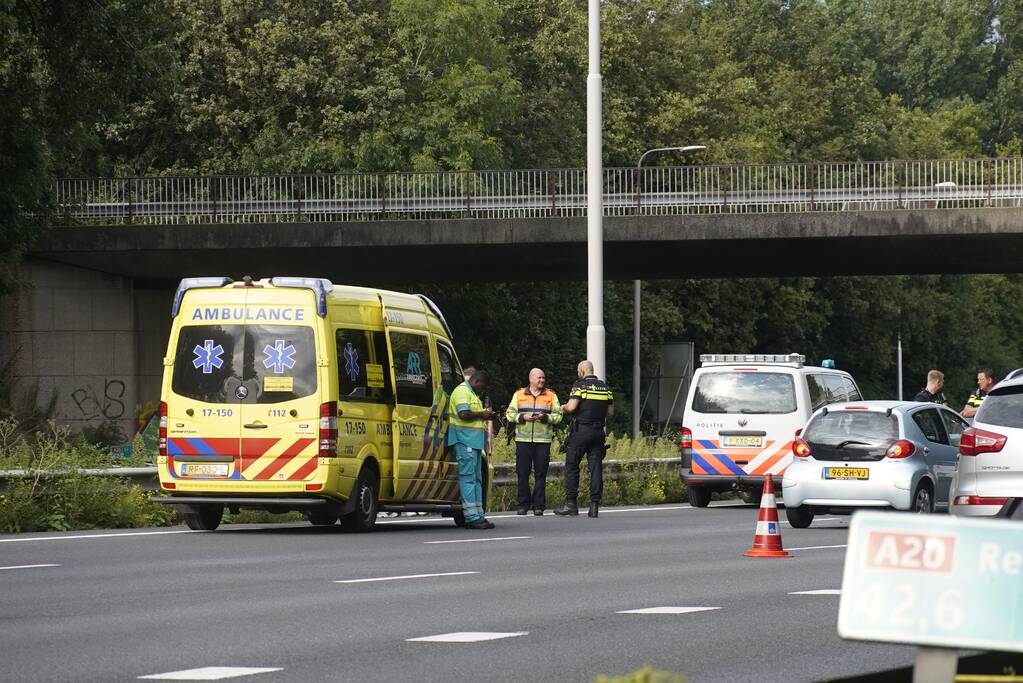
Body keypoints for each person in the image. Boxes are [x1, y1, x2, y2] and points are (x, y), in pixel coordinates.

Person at [554, 360, 614, 518]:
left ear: (581, 371)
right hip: (598, 433)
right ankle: (594, 506)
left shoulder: (579, 385)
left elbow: (572, 407)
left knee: (572, 466)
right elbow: (610, 412)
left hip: (581, 431)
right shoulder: (606, 388)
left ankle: (571, 505)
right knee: (595, 469)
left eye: (578, 371)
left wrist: (563, 407)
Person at [505, 368, 562, 516]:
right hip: (523, 440)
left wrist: (546, 418)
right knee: (522, 474)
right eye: (539, 378)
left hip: (543, 441)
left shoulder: (551, 395)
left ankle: (538, 506)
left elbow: (559, 415)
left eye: (543, 378)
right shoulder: (519, 394)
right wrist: (523, 417)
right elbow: (509, 413)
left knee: (540, 474)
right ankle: (523, 505)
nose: (542, 380)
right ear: (531, 378)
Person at [447, 369, 495, 529]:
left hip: (473, 442)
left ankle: (479, 515)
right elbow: (463, 414)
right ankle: (472, 517)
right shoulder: (462, 391)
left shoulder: (472, 393)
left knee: (476, 479)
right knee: (468, 479)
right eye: (482, 388)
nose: (482, 391)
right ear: (476, 381)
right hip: (463, 440)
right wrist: (483, 414)